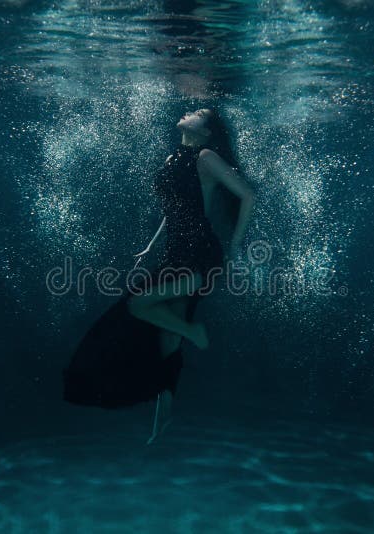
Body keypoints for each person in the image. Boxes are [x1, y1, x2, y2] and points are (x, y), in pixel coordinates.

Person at [62, 108, 255, 439]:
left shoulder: (206, 156)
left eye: (199, 113)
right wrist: (151, 247)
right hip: (175, 252)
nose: (189, 111)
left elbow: (248, 195)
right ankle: (163, 415)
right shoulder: (171, 159)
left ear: (206, 132)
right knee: (167, 340)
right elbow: (175, 209)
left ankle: (195, 332)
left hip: (198, 255)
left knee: (138, 306)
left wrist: (236, 246)